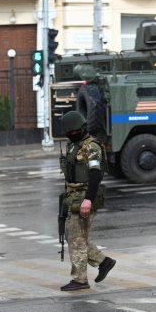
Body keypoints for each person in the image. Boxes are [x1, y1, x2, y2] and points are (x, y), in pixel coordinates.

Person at [59, 111, 116, 291]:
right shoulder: (73, 145)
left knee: (77, 238)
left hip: (84, 197)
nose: (68, 133)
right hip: (72, 196)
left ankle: (80, 280)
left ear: (79, 128)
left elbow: (96, 174)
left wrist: (88, 200)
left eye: (71, 130)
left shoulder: (91, 147)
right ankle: (103, 261)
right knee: (73, 236)